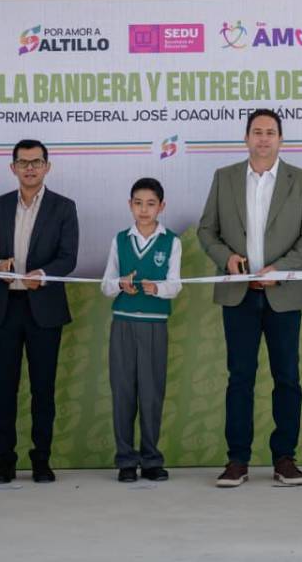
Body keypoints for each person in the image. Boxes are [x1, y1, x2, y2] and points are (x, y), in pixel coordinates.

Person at [197, 108, 302, 488]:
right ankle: (237, 460)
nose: (264, 138)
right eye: (257, 131)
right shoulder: (224, 178)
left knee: (287, 377)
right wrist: (226, 258)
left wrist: (280, 268)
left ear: (281, 139)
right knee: (240, 378)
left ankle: (285, 459)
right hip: (238, 295)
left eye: (271, 132)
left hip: (284, 294)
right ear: (246, 138)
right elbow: (207, 230)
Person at [0, 139, 78, 485]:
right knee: (4, 390)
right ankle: (4, 462)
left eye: (36, 162)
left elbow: (68, 258)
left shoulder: (64, 207)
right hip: (4, 309)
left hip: (44, 310)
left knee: (43, 390)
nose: (30, 168)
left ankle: (41, 461)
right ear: (13, 168)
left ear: (47, 167)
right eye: (23, 162)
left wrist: (43, 275)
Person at [100, 178, 182, 483]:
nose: (144, 210)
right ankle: (125, 460)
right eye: (138, 203)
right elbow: (106, 285)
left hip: (154, 325)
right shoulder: (120, 240)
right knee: (123, 392)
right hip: (122, 323)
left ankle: (151, 460)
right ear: (130, 205)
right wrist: (120, 284)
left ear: (161, 206)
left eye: (150, 204)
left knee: (151, 393)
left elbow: (175, 285)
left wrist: (156, 288)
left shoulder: (171, 241)